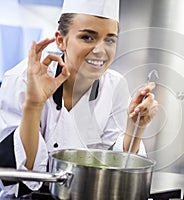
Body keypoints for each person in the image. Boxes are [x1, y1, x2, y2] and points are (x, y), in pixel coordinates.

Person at [0, 0, 157, 197]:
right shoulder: (23, 78)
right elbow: (19, 175)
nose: (100, 50)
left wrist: (135, 127)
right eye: (87, 37)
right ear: (60, 41)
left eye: (110, 40)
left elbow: (117, 165)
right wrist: (34, 105)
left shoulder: (115, 85)